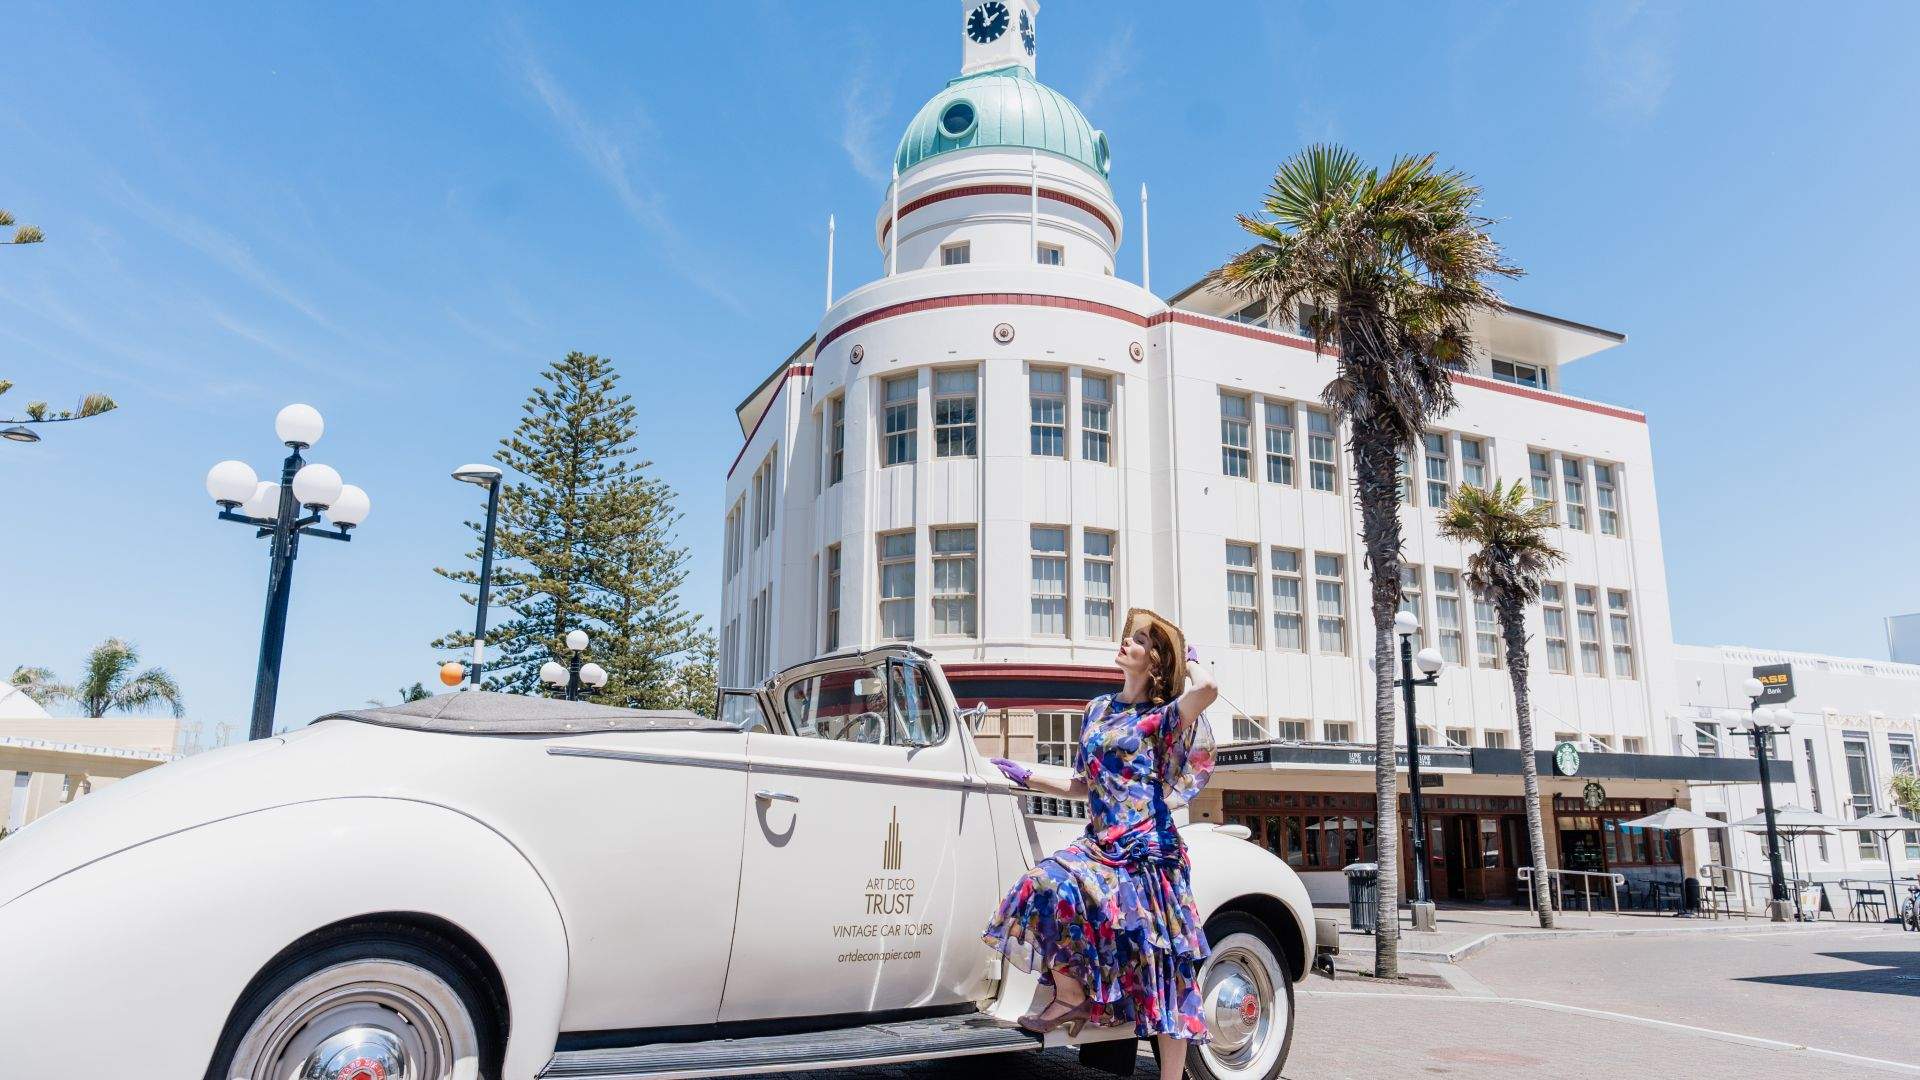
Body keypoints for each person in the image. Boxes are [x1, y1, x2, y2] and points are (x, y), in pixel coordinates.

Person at [982, 608, 1218, 1079]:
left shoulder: (1161, 718)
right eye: (1129, 637)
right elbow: (1081, 784)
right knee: (1040, 885)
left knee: (1165, 974)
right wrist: (1027, 775)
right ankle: (1071, 996)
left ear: (1154, 662)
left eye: (1140, 640)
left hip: (1149, 854)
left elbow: (1208, 691)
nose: (1126, 642)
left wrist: (1188, 661)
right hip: (1099, 845)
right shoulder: (1097, 709)